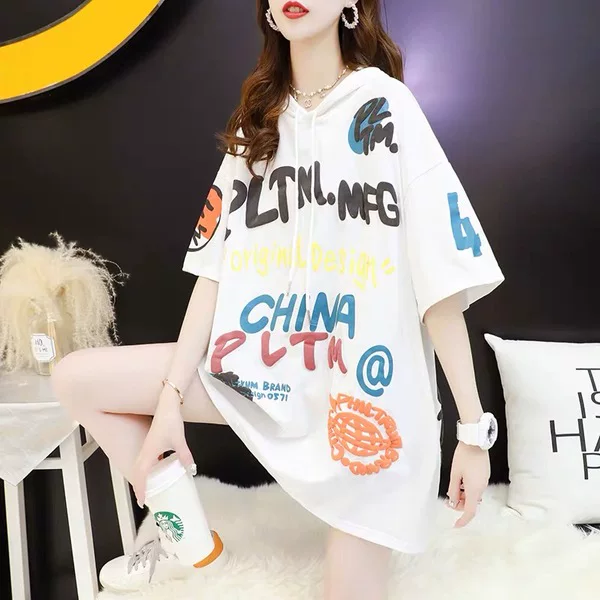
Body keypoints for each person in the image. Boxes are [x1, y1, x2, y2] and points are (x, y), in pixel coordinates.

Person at [52, 1, 505, 598]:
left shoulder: (385, 107)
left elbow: (439, 278)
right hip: (265, 374)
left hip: (367, 407)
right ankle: (187, 541)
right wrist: (168, 403)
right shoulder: (258, 119)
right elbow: (214, 271)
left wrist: (472, 431)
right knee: (76, 378)